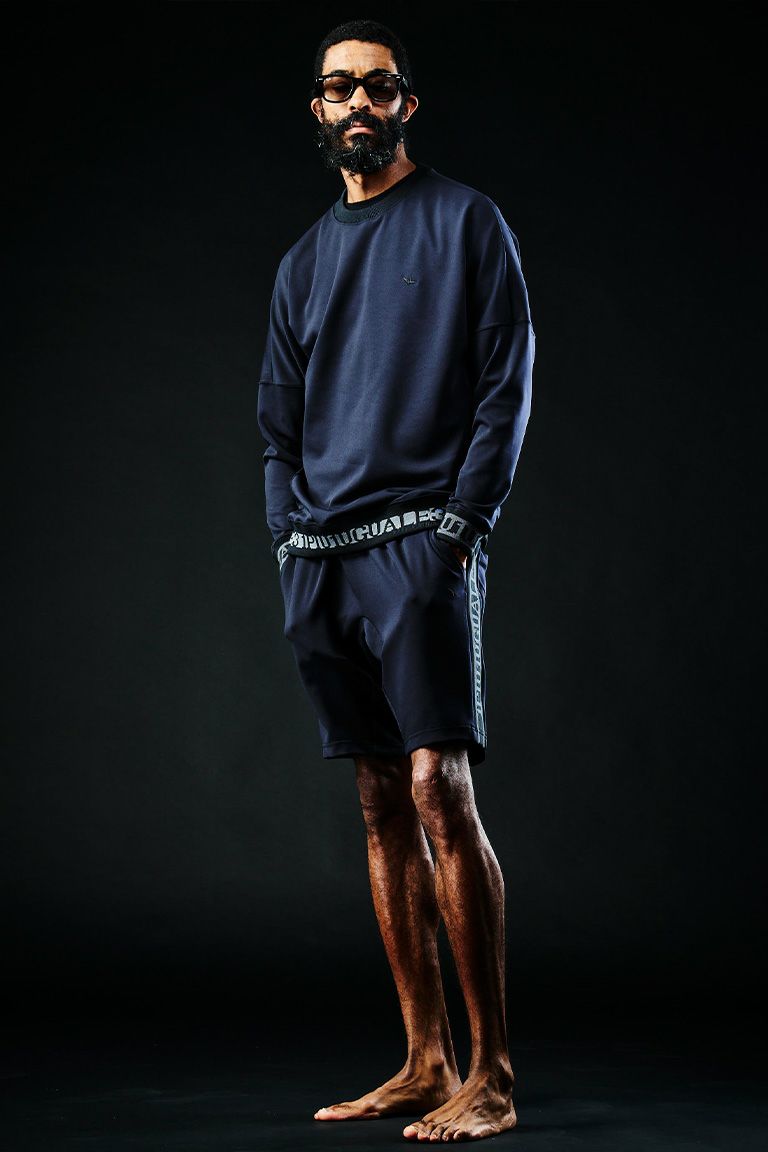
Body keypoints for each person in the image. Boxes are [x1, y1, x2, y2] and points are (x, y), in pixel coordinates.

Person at [257, 18, 534, 1143]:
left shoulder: (467, 221)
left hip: (422, 538)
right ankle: (425, 1061)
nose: (358, 105)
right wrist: (287, 533)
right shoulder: (301, 262)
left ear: (406, 104)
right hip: (321, 555)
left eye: (377, 87)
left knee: (436, 787)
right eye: (339, 89)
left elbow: (506, 379)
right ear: (318, 111)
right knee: (378, 801)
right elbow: (277, 426)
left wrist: (464, 523)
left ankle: (492, 1074)